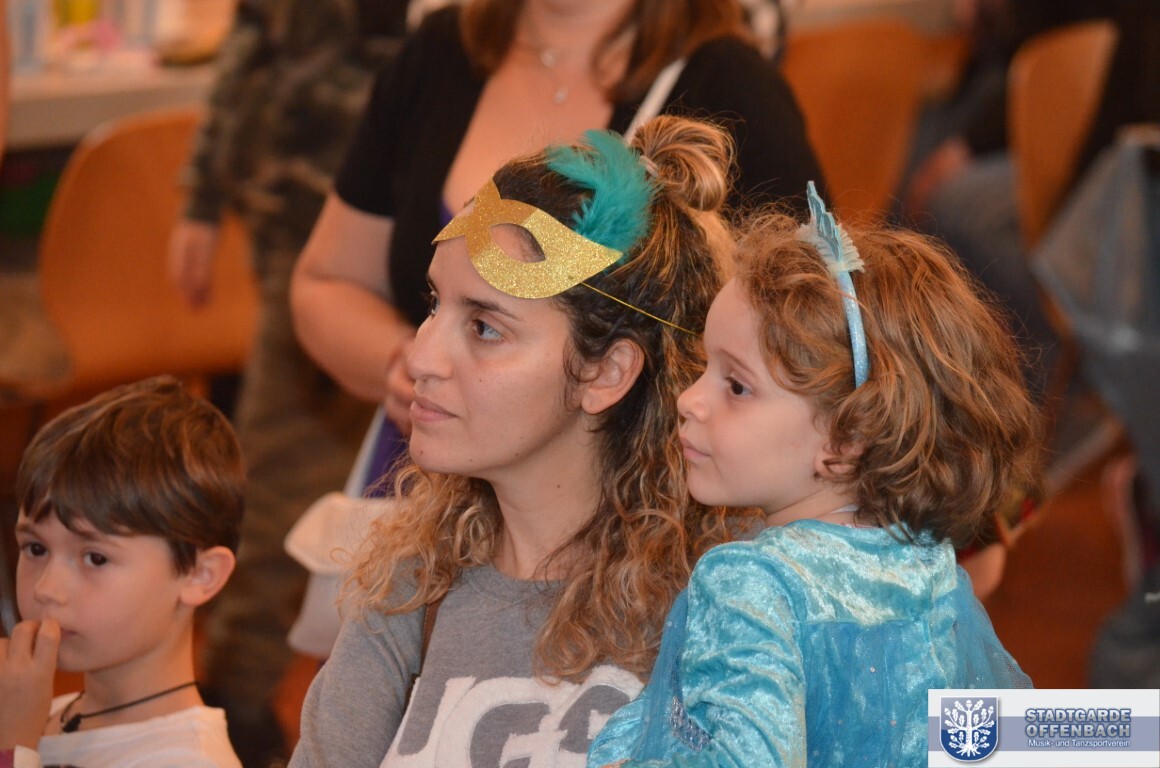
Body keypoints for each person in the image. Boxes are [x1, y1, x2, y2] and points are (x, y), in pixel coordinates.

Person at [290, 114, 744, 767]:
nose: (421, 357)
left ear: (605, 372)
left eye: (485, 328)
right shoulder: (410, 592)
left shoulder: (723, 608)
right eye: (434, 305)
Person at [588, 183, 1038, 767]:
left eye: (736, 386)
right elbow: (995, 740)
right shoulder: (928, 570)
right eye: (704, 368)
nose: (689, 400)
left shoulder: (751, 584)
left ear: (845, 440)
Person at [290, 0, 823, 472]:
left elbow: (809, 347)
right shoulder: (440, 53)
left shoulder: (734, 90)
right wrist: (402, 363)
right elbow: (328, 281)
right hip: (420, 461)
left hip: (625, 501)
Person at [167, 2, 417, 761]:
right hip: (309, 217)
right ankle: (238, 700)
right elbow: (252, 36)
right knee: (285, 481)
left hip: (421, 218)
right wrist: (203, 200)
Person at [0, 376, 245, 768]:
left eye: (95, 558)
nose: (46, 589)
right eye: (36, 548)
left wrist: (12, 747)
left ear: (202, 575)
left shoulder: (187, 761)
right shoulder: (40, 713)